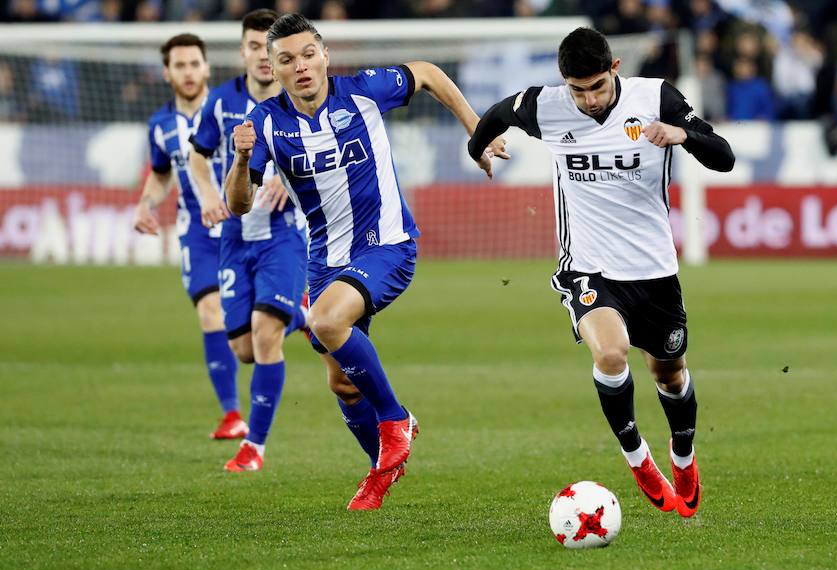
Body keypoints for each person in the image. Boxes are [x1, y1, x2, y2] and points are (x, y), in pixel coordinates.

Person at [224, 13, 506, 509]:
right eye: (287, 60)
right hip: (326, 262)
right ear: (272, 68)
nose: (302, 66)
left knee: (324, 320)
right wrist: (242, 161)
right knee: (340, 381)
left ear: (325, 55)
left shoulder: (363, 91)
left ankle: (396, 421)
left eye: (309, 54)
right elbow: (239, 204)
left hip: (387, 246)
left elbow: (428, 73)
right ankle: (381, 470)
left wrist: (476, 132)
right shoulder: (265, 124)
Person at [467, 27, 735, 518]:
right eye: (577, 90)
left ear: (615, 69)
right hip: (587, 266)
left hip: (653, 270)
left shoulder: (655, 96)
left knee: (669, 374)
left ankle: (683, 456)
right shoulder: (545, 106)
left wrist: (683, 135)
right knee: (611, 354)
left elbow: (725, 157)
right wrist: (478, 149)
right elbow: (496, 115)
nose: (588, 99)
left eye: (596, 86)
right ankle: (638, 458)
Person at [188, 9, 310, 473]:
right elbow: (197, 155)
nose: (263, 56)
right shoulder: (220, 102)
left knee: (263, 336)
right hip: (234, 238)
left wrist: (289, 178)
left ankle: (254, 448)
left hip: (283, 234)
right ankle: (304, 313)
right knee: (241, 348)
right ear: (242, 51)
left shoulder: (299, 99)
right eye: (255, 47)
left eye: (270, 48)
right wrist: (206, 196)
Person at [132, 34, 244, 442]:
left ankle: (299, 316)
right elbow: (161, 174)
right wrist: (146, 204)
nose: (188, 72)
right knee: (209, 313)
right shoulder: (160, 126)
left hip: (243, 225)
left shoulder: (232, 109)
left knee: (251, 326)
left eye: (194, 63)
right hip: (195, 231)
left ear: (207, 67)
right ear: (167, 73)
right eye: (179, 65)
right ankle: (232, 414)